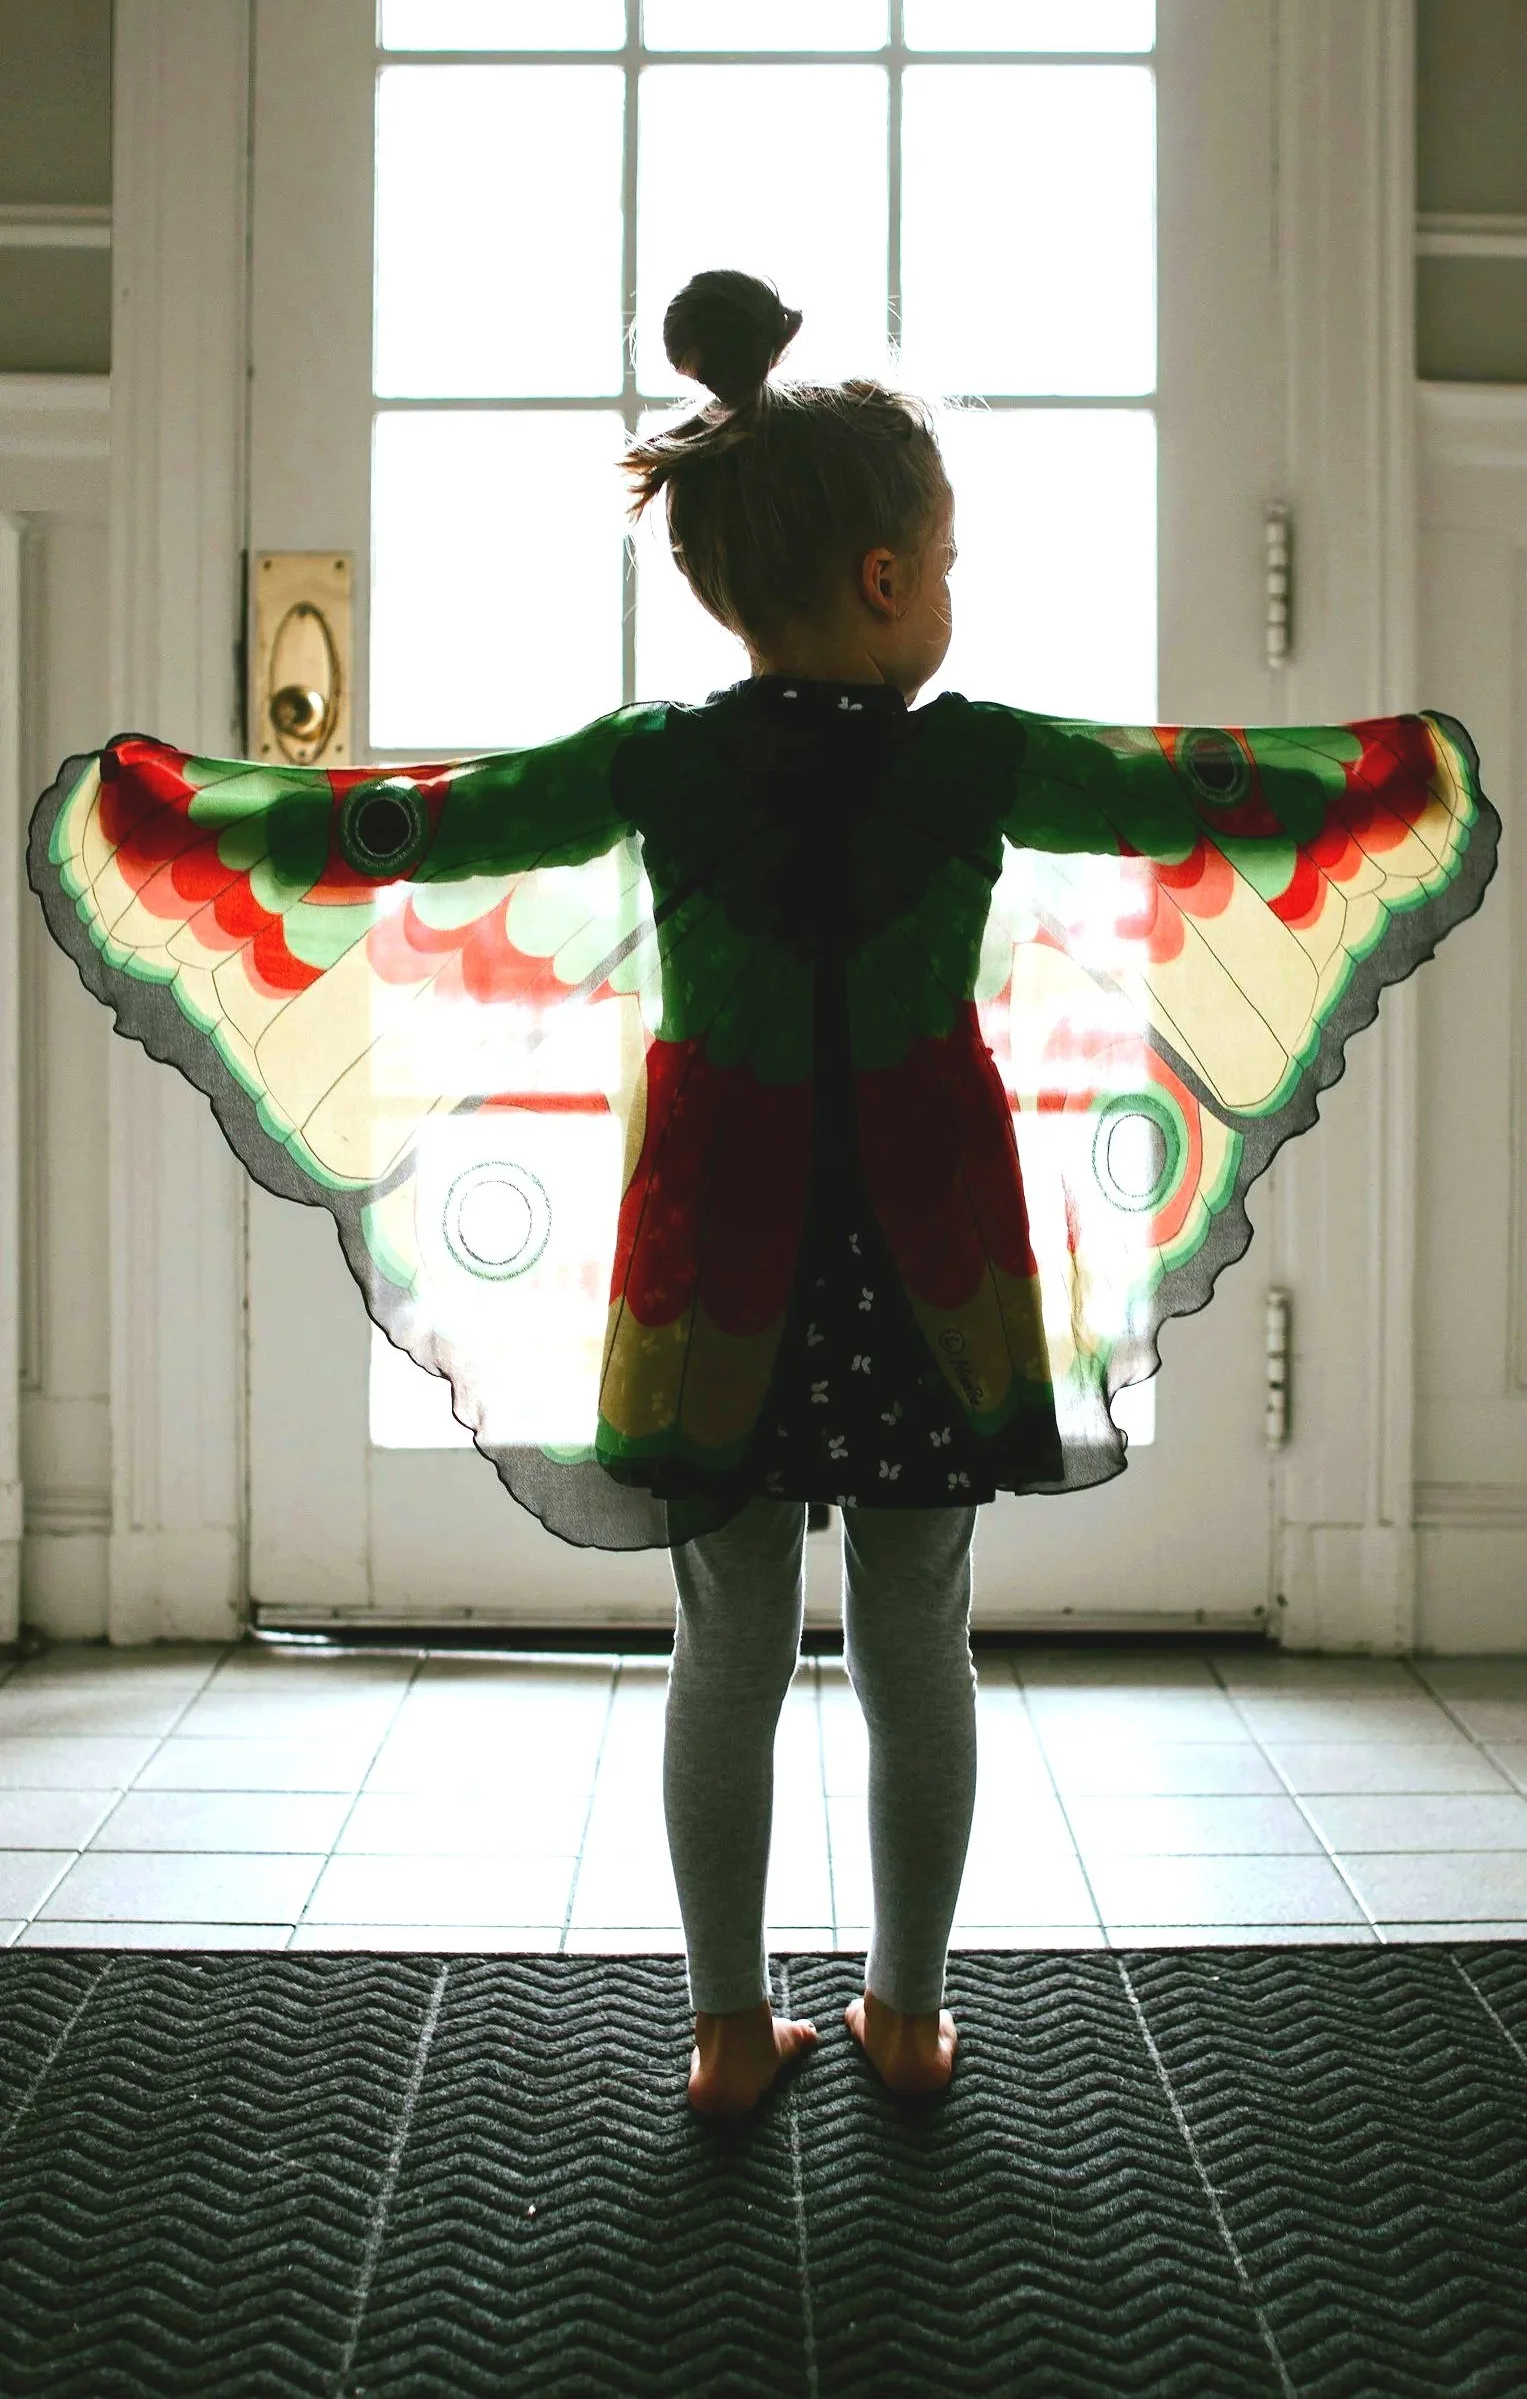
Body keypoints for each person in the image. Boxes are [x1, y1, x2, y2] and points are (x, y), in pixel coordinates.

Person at [28, 271, 1499, 2122]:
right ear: (882, 580)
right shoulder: (973, 755)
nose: (951, 595)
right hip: (933, 1268)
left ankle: (727, 2033)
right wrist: (1384, 779)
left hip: (712, 1269)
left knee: (721, 1647)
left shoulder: (659, 760)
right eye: (943, 565)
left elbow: (413, 824)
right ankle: (905, 2013)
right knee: (917, 1640)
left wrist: (189, 819)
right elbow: (1198, 800)